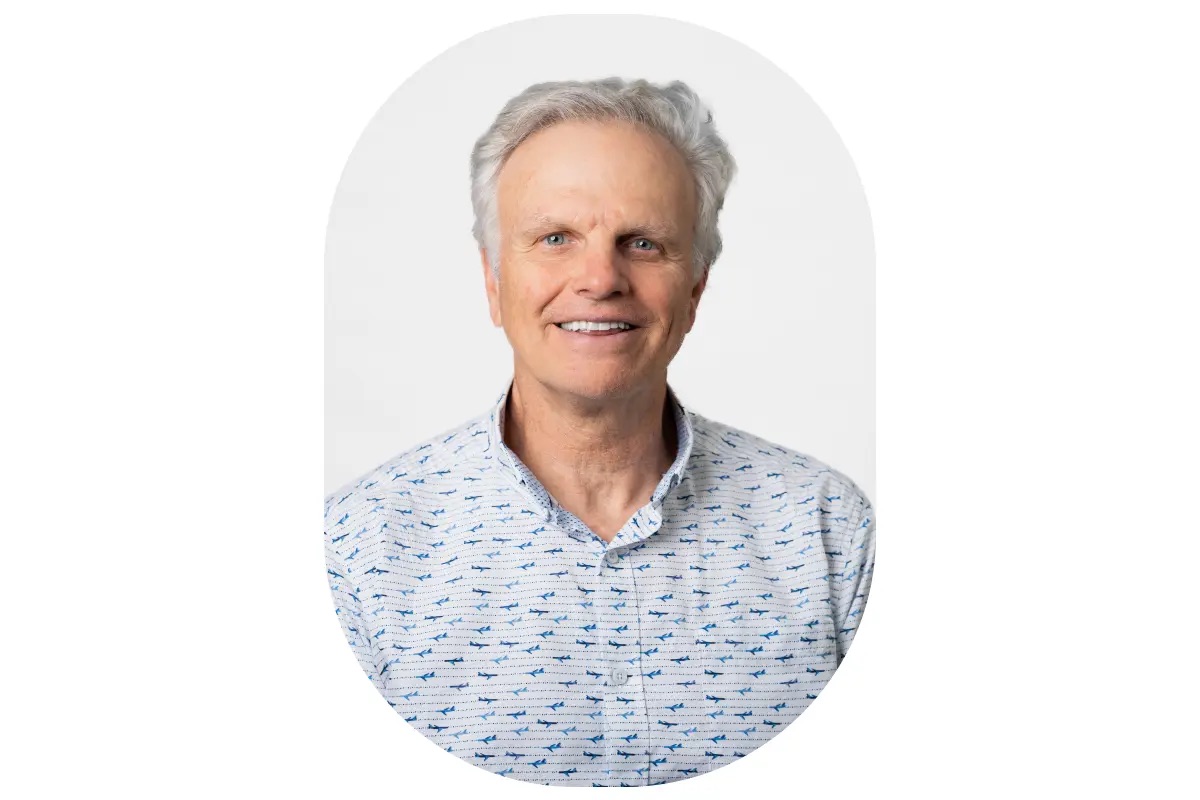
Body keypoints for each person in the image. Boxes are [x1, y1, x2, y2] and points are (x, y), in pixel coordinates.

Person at [324, 77, 876, 787]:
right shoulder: (356, 554)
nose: (599, 278)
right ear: (493, 282)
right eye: (556, 238)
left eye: (643, 243)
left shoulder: (831, 535)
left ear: (696, 291)